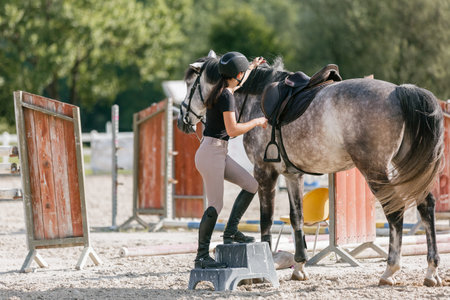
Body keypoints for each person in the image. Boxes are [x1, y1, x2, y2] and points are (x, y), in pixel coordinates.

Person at [194, 52, 268, 269]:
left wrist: (252, 67)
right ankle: (201, 256)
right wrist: (256, 121)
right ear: (236, 75)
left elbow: (238, 81)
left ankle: (231, 231)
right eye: (242, 73)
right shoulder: (226, 96)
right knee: (216, 204)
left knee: (251, 185)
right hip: (212, 154)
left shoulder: (223, 89)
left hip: (216, 152)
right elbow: (233, 130)